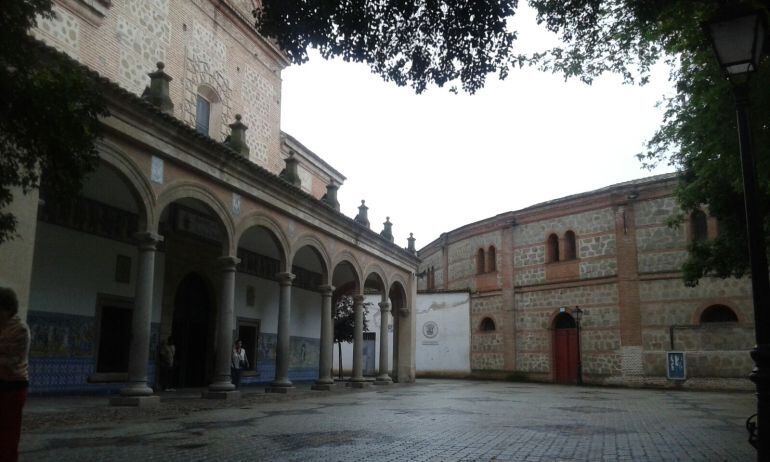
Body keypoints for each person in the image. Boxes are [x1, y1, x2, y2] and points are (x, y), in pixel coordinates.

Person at [0, 288, 30, 462]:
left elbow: (10, 364)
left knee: (8, 433)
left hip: (12, 387)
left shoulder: (19, 329)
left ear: (8, 309)